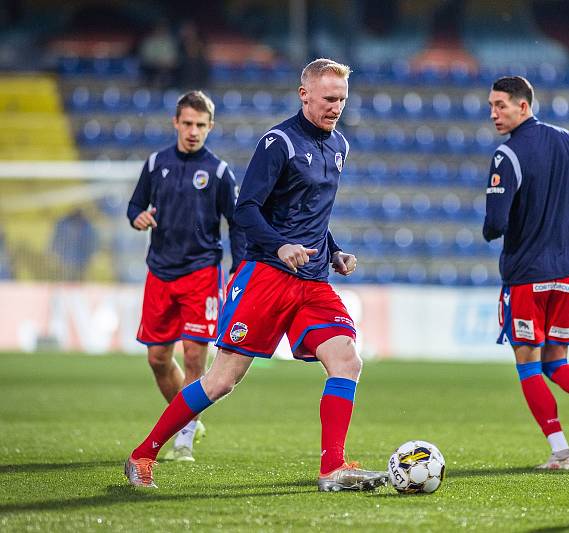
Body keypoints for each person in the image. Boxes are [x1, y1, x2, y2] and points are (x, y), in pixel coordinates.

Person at [125, 58, 389, 493]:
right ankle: (143, 454)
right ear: (304, 94)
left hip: (313, 279)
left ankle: (333, 468)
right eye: (328, 98)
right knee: (222, 379)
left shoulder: (339, 145)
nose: (336, 106)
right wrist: (279, 245)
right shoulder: (278, 142)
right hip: (266, 275)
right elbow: (246, 209)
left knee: (347, 359)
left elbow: (313, 213)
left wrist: (335, 251)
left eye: (341, 99)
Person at [482, 76, 569, 470]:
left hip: (526, 276)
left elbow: (495, 223)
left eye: (500, 105)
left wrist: (491, 227)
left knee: (530, 365)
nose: (493, 114)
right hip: (567, 274)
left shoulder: (509, 154)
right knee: (557, 362)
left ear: (523, 105)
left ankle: (561, 452)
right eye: (491, 106)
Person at [127, 90, 244, 463]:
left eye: (200, 125)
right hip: (160, 272)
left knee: (195, 355)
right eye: (187, 123)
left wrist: (238, 268)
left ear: (210, 127)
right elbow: (134, 205)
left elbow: (237, 223)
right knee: (158, 358)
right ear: (176, 123)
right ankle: (186, 418)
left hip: (201, 273)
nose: (193, 131)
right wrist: (137, 217)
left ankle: (185, 439)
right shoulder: (155, 163)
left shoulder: (219, 172)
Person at [51, 208, 98, 281]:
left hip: (81, 261)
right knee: (66, 279)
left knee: (79, 279)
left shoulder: (88, 227)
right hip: (66, 261)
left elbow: (92, 245)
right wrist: (55, 254)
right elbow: (56, 242)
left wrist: (92, 256)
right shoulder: (62, 226)